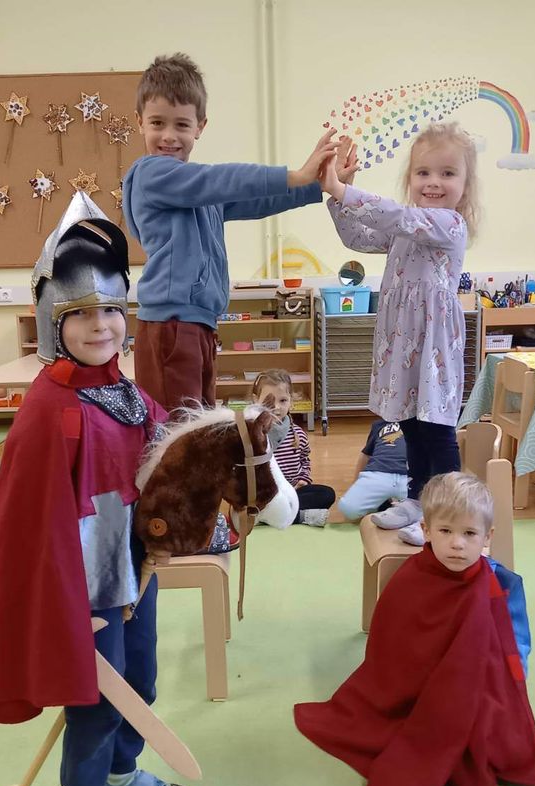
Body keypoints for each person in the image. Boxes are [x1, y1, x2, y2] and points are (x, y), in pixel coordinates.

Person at [0, 194, 189, 786]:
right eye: (80, 312)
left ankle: (121, 774)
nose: (101, 325)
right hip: (81, 582)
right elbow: (34, 523)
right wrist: (70, 604)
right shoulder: (47, 409)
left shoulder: (131, 394)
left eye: (112, 309)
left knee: (137, 680)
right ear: (51, 319)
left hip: (133, 564)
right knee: (94, 694)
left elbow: (162, 472)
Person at [294, 472, 535, 786]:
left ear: (487, 536)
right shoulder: (410, 580)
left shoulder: (495, 584)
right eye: (446, 531)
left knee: (504, 741)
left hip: (475, 689)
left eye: (469, 533)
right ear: (426, 531)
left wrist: (501, 675)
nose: (457, 543)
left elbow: (509, 643)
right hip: (412, 695)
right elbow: (390, 652)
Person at [123, 52, 337, 412]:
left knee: (201, 427)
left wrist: (318, 186)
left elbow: (256, 199)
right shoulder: (151, 174)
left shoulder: (200, 193)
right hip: (170, 327)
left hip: (199, 325)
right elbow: (220, 178)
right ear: (139, 122)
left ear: (200, 127)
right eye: (157, 123)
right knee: (178, 434)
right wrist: (295, 174)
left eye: (181, 125)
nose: (169, 136)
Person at [321, 123, 479, 546]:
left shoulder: (448, 224)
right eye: (423, 173)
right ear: (410, 179)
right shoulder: (406, 230)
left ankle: (445, 516)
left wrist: (342, 189)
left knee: (437, 428)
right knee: (408, 422)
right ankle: (417, 499)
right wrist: (339, 193)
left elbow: (399, 215)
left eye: (447, 173)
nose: (433, 182)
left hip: (433, 345)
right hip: (402, 339)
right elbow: (357, 234)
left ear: (465, 185)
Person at [251, 369, 334, 527]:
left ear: (291, 402)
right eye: (268, 400)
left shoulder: (298, 434)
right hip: (264, 496)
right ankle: (300, 517)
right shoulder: (253, 435)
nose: (276, 407)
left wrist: (304, 479)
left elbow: (305, 460)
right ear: (256, 400)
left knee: (327, 494)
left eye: (283, 400)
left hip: (292, 492)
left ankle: (268, 517)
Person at [337, 420, 408, 522]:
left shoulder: (424, 425)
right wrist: (355, 484)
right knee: (347, 508)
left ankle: (391, 504)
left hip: (409, 476)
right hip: (378, 471)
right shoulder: (380, 425)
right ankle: (387, 502)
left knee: (429, 513)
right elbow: (365, 454)